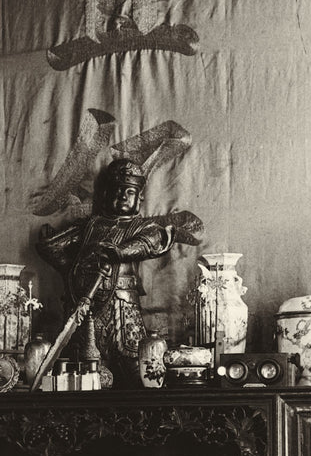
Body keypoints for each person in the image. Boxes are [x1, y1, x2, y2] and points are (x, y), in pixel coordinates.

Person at [35, 157, 202, 386]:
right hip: (85, 306)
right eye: (117, 190)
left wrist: (121, 252)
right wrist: (67, 263)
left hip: (122, 309)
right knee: (84, 371)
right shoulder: (90, 226)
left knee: (133, 368)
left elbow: (154, 241)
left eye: (129, 191)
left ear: (139, 197)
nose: (122, 195)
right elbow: (55, 248)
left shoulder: (142, 226)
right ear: (105, 194)